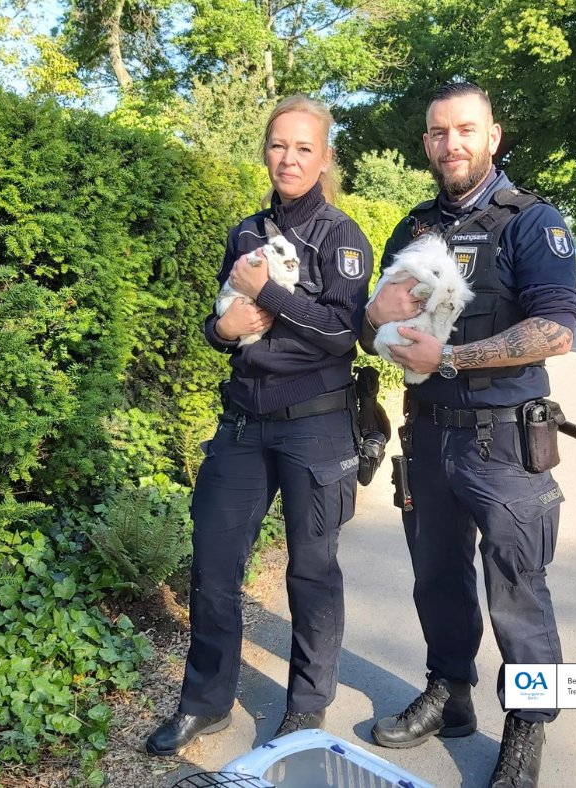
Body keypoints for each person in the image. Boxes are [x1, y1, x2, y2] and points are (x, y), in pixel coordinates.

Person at [360, 82, 576, 788]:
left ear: (493, 136)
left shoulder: (530, 222)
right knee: (438, 581)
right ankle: (449, 695)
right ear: (425, 142)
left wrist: (451, 357)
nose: (450, 143)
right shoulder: (413, 228)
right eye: (437, 132)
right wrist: (373, 318)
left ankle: (525, 729)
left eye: (465, 130)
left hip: (505, 444)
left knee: (518, 590)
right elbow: (374, 336)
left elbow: (557, 328)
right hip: (428, 440)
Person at [146, 95, 372, 756]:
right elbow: (220, 322)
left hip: (316, 428)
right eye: (279, 145)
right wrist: (224, 328)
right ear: (265, 152)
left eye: (305, 147)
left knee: (312, 570)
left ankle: (306, 705)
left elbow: (338, 334)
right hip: (243, 424)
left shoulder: (342, 237)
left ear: (325, 157)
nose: (289, 158)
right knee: (214, 567)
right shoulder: (245, 233)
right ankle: (205, 702)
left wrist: (269, 295)